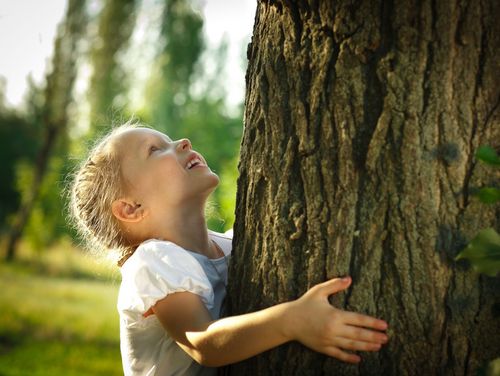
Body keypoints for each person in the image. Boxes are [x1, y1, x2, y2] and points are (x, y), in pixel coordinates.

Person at [69, 122, 389, 375]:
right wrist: (293, 321)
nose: (182, 142)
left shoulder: (231, 244)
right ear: (131, 208)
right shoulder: (152, 264)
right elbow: (204, 344)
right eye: (156, 150)